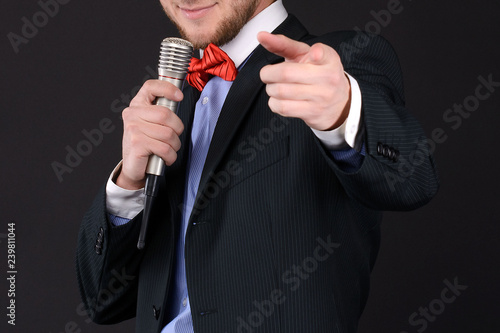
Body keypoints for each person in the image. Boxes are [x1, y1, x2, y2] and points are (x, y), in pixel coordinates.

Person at [76, 0, 439, 332]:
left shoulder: (333, 68)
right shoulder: (173, 101)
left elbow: (413, 178)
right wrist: (130, 182)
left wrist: (345, 112)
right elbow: (102, 302)